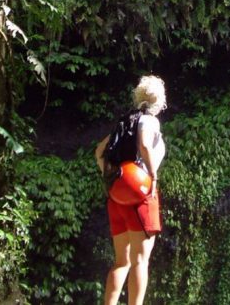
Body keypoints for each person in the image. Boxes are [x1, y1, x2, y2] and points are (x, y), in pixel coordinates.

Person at [95, 75, 167, 305]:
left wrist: (110, 176)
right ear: (160, 101)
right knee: (140, 261)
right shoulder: (149, 120)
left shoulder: (125, 121)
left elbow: (99, 152)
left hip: (117, 193)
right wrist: (153, 175)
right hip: (139, 190)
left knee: (121, 261)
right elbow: (144, 144)